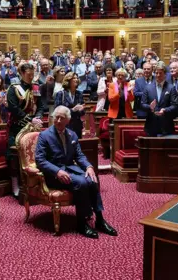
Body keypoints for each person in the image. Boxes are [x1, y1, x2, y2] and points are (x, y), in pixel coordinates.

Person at [35, 106, 117, 239]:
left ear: (68, 120)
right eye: (57, 117)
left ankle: (100, 219)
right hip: (53, 175)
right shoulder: (44, 135)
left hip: (70, 170)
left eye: (62, 118)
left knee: (92, 179)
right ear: (53, 118)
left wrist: (89, 167)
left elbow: (79, 156)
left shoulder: (71, 134)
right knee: (82, 183)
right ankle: (82, 223)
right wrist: (57, 172)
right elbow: (40, 160)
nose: (59, 120)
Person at [7, 63, 44, 196]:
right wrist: (30, 119)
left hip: (33, 127)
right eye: (29, 74)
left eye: (33, 74)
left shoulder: (35, 87)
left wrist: (38, 116)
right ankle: (16, 185)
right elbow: (13, 108)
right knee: (15, 156)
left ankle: (35, 184)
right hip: (18, 127)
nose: (31, 76)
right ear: (22, 73)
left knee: (36, 155)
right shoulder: (14, 89)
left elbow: (40, 106)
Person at [141, 65, 178, 137]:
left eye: (160, 73)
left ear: (165, 74)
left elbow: (175, 105)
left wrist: (165, 110)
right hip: (151, 125)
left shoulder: (171, 88)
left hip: (166, 124)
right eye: (156, 73)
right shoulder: (148, 87)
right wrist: (150, 107)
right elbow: (142, 104)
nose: (158, 75)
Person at [54, 72, 85, 138]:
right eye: (74, 78)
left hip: (77, 126)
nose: (76, 79)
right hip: (64, 126)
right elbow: (57, 111)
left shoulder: (79, 94)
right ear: (68, 80)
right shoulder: (61, 94)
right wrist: (72, 110)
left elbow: (83, 112)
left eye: (77, 78)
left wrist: (81, 110)